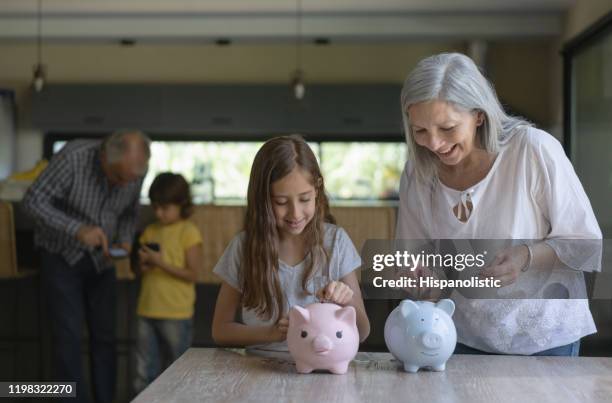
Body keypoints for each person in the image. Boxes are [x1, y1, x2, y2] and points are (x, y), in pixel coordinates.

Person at [396, 53, 602, 356]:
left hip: (545, 339)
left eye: (448, 128)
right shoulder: (418, 172)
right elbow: (413, 254)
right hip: (460, 334)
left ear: (479, 115)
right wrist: (421, 276)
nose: (435, 143)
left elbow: (587, 245)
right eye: (420, 131)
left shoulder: (532, 150)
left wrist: (526, 256)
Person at [22, 129, 150, 402]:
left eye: (130, 180)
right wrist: (76, 229)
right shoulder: (73, 158)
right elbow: (32, 201)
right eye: (117, 177)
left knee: (106, 337)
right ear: (104, 157)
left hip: (102, 260)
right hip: (60, 255)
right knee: (67, 338)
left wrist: (125, 241)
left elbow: (130, 212)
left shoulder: (134, 172)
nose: (122, 185)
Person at [211, 135, 370, 355]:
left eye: (304, 199)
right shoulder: (243, 247)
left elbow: (363, 331)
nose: (295, 214)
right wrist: (272, 333)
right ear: (262, 199)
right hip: (258, 371)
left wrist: (348, 300)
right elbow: (220, 331)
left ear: (317, 189)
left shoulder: (336, 242)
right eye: (281, 202)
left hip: (322, 372)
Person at [134, 172, 203, 393]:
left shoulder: (189, 231)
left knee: (177, 370)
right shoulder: (150, 230)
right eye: (155, 207)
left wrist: (159, 262)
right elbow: (140, 271)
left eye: (164, 207)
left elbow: (192, 274)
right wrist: (144, 265)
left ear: (181, 204)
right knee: (143, 371)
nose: (158, 213)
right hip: (146, 309)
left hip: (176, 313)